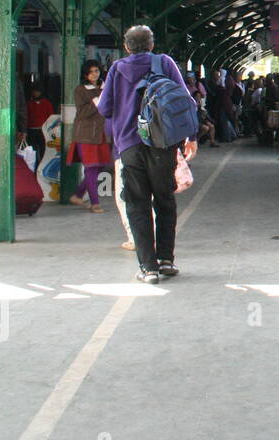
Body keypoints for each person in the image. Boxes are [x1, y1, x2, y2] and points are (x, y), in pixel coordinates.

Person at [95, 25, 195, 284]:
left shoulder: (117, 69)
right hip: (162, 144)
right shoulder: (164, 62)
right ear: (151, 45)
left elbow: (105, 108)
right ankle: (166, 260)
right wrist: (192, 137)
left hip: (129, 144)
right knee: (164, 200)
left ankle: (148, 268)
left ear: (126, 47)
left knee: (137, 203)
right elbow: (186, 100)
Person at [67, 60, 110, 213]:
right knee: (91, 168)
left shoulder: (106, 87)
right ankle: (95, 203)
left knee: (101, 166)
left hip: (103, 133)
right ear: (85, 74)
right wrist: (98, 101)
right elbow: (82, 112)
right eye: (91, 71)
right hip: (86, 134)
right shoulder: (80, 90)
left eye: (97, 71)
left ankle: (78, 195)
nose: (94, 74)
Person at [26, 85, 54, 171]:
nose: (36, 93)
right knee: (32, 151)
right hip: (31, 130)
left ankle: (42, 169)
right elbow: (27, 116)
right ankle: (34, 168)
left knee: (43, 151)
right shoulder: (29, 104)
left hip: (43, 131)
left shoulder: (47, 103)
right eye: (34, 91)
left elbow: (50, 117)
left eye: (37, 91)